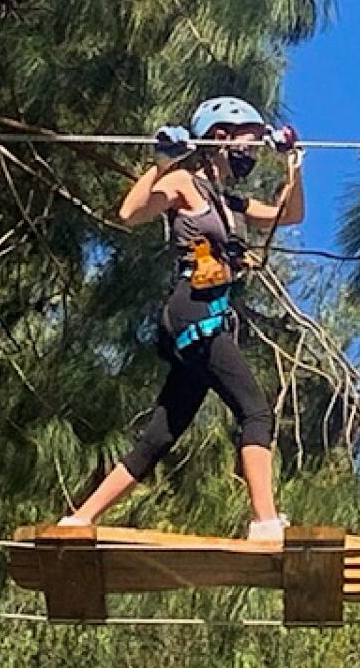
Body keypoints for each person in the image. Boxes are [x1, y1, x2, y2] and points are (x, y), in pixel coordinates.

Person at [58, 96, 303, 542]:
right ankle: (265, 521)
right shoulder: (184, 185)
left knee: (161, 434)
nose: (251, 153)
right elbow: (130, 214)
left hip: (206, 316)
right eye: (247, 143)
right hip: (193, 309)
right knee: (255, 411)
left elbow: (289, 215)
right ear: (221, 138)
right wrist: (162, 164)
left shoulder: (230, 201)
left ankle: (79, 518)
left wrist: (294, 165)